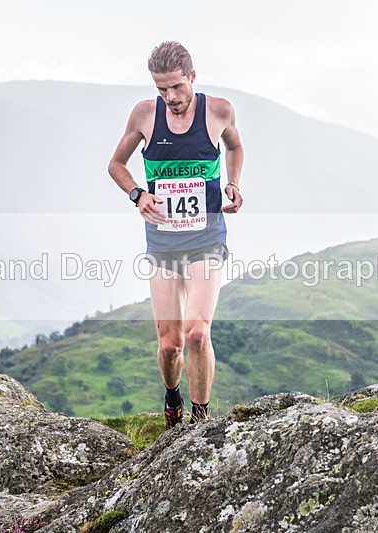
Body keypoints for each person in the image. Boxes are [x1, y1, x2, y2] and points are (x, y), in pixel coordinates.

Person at [108, 41, 244, 430]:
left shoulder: (219, 111)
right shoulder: (145, 116)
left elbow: (235, 146)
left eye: (176, 88)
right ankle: (172, 399)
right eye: (161, 89)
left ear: (192, 78)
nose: (170, 97)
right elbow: (116, 165)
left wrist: (233, 185)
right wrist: (138, 194)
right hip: (163, 242)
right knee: (171, 344)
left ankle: (201, 420)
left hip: (206, 237)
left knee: (198, 333)